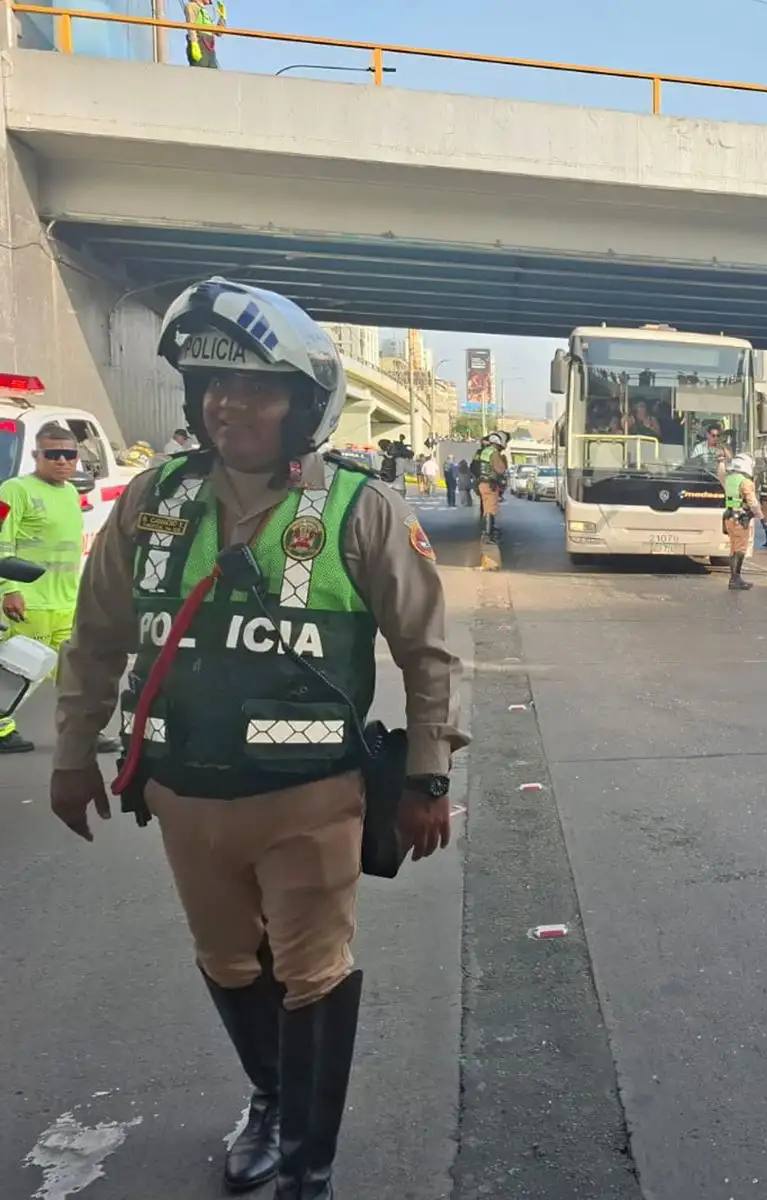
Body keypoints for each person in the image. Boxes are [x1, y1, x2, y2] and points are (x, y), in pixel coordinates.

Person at [48, 277, 466, 1197]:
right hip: (183, 793)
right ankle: (274, 1100)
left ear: (304, 404)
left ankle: (308, 1172)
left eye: (255, 388)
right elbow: (96, 637)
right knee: (230, 962)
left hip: (310, 796)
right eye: (212, 384)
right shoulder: (152, 499)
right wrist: (73, 754)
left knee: (313, 972)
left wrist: (427, 778)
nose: (226, 404)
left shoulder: (361, 509)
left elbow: (428, 655)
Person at [0, 425, 123, 756]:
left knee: (77, 675)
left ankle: (82, 732)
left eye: (69, 455)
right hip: (28, 602)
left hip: (67, 602)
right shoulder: (13, 490)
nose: (62, 461)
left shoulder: (70, 492)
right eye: (52, 454)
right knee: (17, 674)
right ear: (36, 455)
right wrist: (9, 589)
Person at [722, 453, 759, 591]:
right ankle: (735, 579)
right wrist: (759, 514)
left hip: (729, 517)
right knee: (740, 549)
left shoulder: (729, 478)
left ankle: (734, 578)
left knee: (733, 548)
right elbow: (752, 501)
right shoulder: (745, 481)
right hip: (740, 519)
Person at [474, 431, 509, 542]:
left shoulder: (485, 451)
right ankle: (488, 535)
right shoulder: (494, 453)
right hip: (490, 484)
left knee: (486, 508)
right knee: (491, 509)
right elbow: (501, 469)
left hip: (482, 482)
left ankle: (487, 532)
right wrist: (504, 460)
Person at [184, 0, 225, 68]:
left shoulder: (206, 11)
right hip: (199, 44)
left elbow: (219, 33)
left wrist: (222, 17)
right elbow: (191, 25)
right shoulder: (192, 5)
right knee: (200, 70)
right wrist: (194, 43)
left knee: (213, 72)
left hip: (210, 48)